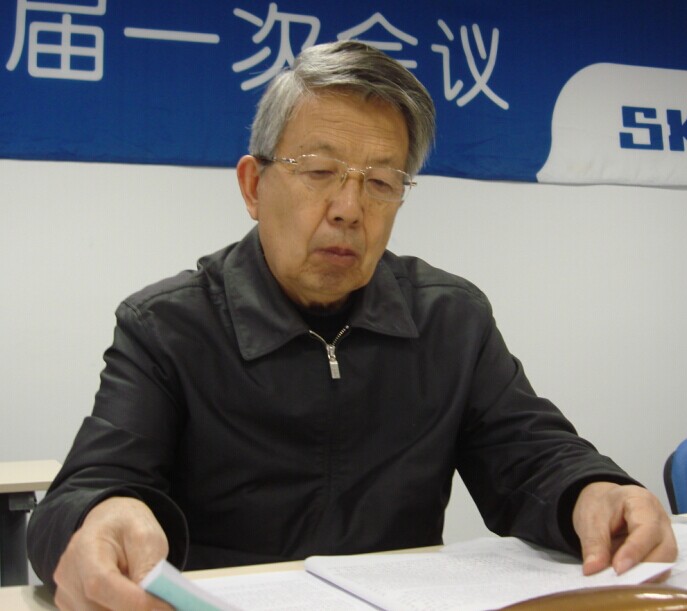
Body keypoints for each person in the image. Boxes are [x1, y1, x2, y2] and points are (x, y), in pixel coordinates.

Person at [28, 40, 676, 610]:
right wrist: (101, 516)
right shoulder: (167, 326)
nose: (348, 208)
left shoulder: (450, 319)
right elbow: (87, 488)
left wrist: (592, 489)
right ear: (253, 186)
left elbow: (530, 457)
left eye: (381, 182)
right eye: (318, 172)